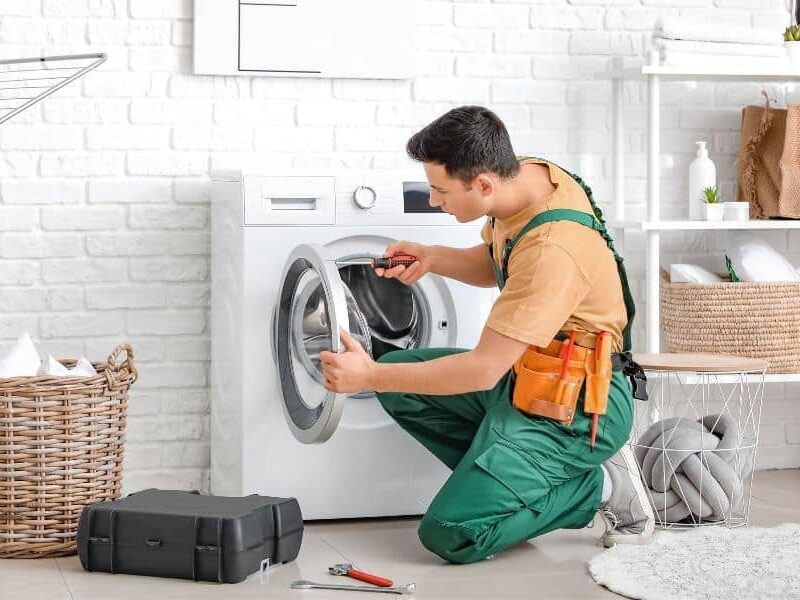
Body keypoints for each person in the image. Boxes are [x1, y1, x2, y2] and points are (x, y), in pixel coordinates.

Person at [319, 105, 654, 564]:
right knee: (401, 381)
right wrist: (431, 257)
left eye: (441, 190)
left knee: (450, 533)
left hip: (577, 407)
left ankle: (596, 489)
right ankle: (509, 476)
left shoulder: (553, 249)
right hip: (531, 377)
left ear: (483, 185)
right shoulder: (527, 179)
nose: (433, 200)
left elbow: (481, 370)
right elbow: (502, 260)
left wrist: (368, 376)